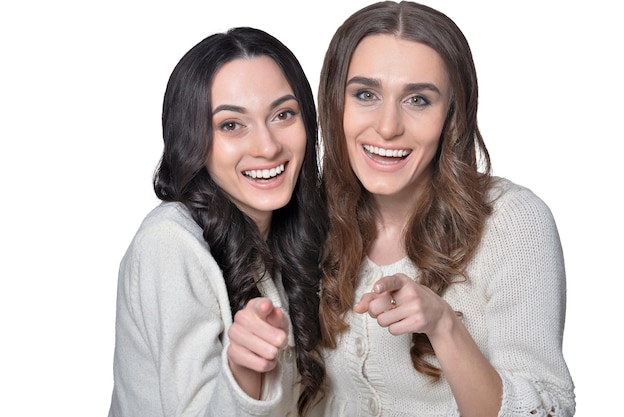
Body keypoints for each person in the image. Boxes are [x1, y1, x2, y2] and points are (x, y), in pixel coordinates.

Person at [316, 2, 575, 416]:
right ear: (334, 103)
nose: (387, 126)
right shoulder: (309, 218)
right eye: (365, 94)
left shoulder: (513, 222)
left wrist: (444, 325)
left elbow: (548, 410)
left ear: (451, 114)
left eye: (418, 99)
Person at [108, 27, 326, 417]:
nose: (267, 146)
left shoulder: (287, 233)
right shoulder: (169, 243)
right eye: (231, 125)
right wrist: (242, 370)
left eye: (283, 115)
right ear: (194, 140)